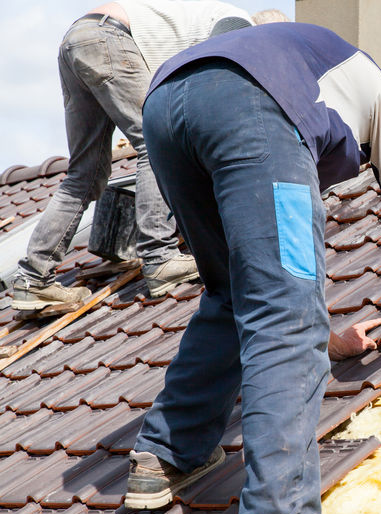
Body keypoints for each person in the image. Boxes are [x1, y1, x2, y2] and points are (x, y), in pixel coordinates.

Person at [123, 21, 381, 514]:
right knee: (284, 319)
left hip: (165, 103)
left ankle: (166, 456)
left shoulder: (311, 65)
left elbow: (263, 272)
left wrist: (329, 339)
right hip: (252, 101)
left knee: (231, 290)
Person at [11, 0, 269, 310]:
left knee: (85, 172)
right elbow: (219, 88)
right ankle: (159, 256)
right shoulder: (240, 24)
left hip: (78, 38)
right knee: (154, 141)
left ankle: (33, 279)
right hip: (109, 37)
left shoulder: (198, 24)